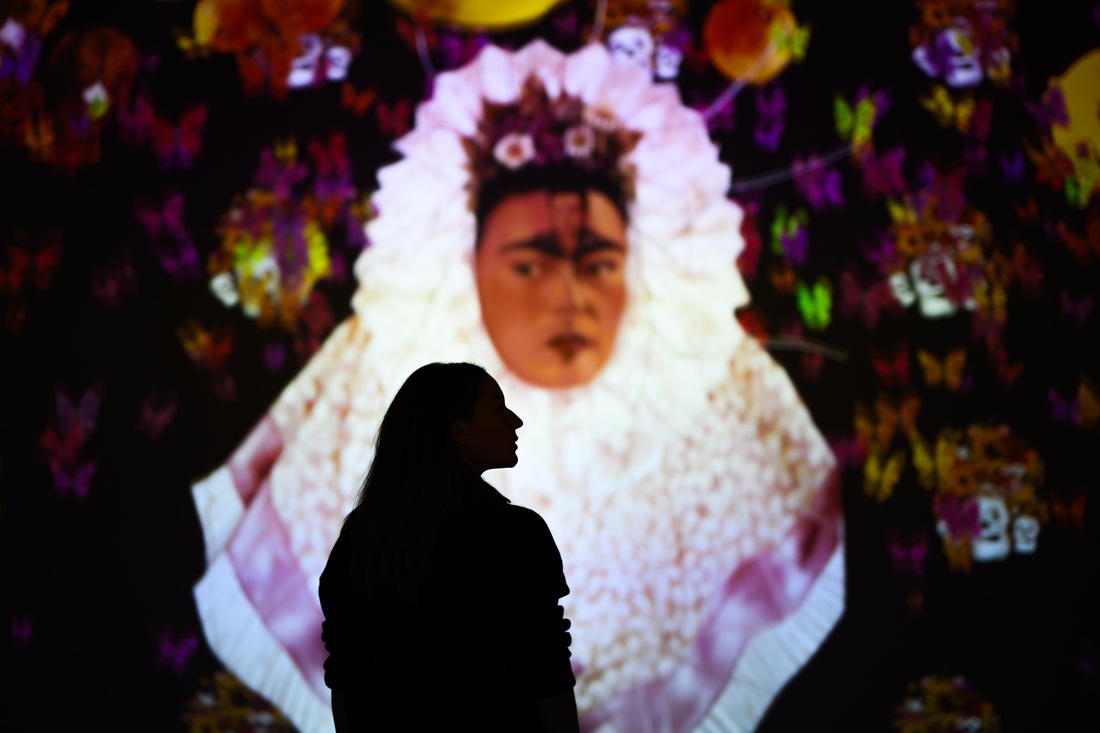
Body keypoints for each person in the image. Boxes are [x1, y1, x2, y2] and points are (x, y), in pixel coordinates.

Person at [191, 41, 842, 733]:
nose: (569, 297)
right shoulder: (485, 534)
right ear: (468, 266)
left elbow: (359, 684)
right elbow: (517, 681)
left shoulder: (376, 538)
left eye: (599, 263)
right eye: (530, 265)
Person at [317, 362, 579, 731]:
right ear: (459, 429)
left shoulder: (361, 539)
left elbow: (346, 677)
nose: (515, 421)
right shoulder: (516, 534)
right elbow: (545, 671)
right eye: (498, 408)